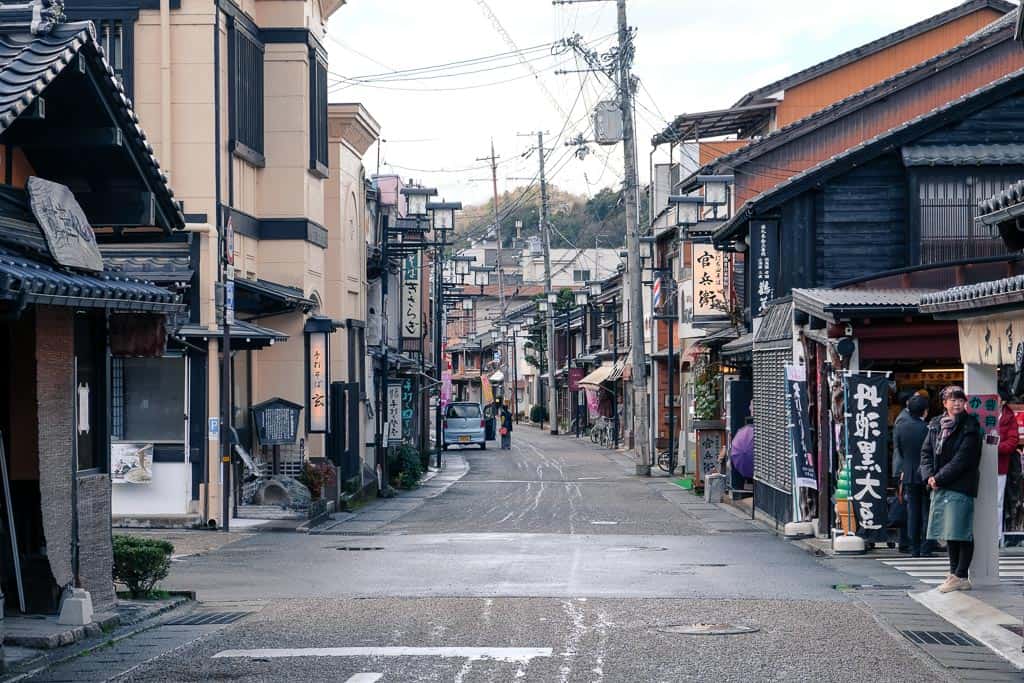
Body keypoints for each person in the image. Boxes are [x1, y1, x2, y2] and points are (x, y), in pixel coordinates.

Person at [920, 385, 983, 593]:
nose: (956, 404)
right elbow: (926, 452)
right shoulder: (935, 424)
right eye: (952, 400)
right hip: (939, 484)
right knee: (949, 531)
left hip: (960, 484)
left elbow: (963, 459)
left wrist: (938, 478)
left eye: (960, 400)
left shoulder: (970, 425)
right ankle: (953, 573)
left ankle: (961, 575)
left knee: (961, 531)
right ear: (944, 403)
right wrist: (929, 476)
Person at [894, 394, 933, 557]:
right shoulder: (927, 429)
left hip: (909, 473)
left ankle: (914, 547)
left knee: (913, 512)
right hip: (926, 473)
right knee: (927, 511)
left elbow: (900, 451)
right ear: (925, 411)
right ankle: (926, 547)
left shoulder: (900, 428)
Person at [997, 387, 1020, 547]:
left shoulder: (1009, 417)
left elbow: (1013, 441)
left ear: (1003, 401)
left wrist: (994, 447)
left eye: (997, 397)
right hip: (980, 467)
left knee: (998, 502)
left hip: (1001, 465)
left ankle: (997, 535)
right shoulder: (982, 414)